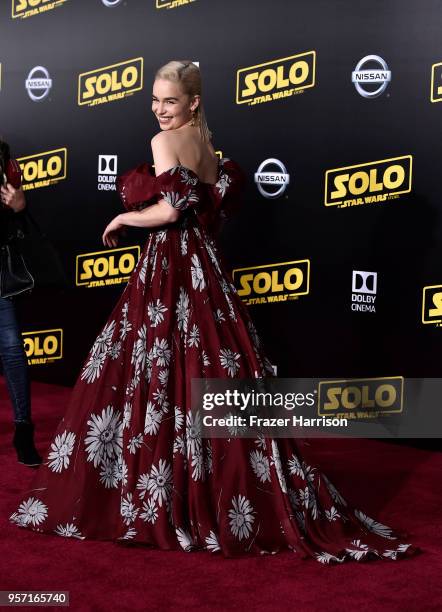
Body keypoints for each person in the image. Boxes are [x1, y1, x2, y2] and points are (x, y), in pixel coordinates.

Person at [9, 61, 419, 563]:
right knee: (211, 364)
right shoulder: (209, 148)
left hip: (169, 267)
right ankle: (220, 486)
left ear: (193, 103)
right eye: (155, 100)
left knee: (157, 367)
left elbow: (171, 210)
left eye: (170, 101)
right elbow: (205, 209)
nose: (160, 110)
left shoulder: (164, 145)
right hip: (207, 269)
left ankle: (165, 489)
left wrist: (122, 215)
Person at [0, 139, 42, 467]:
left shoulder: (5, 161)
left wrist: (20, 206)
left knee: (13, 351)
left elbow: (21, 227)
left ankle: (23, 430)